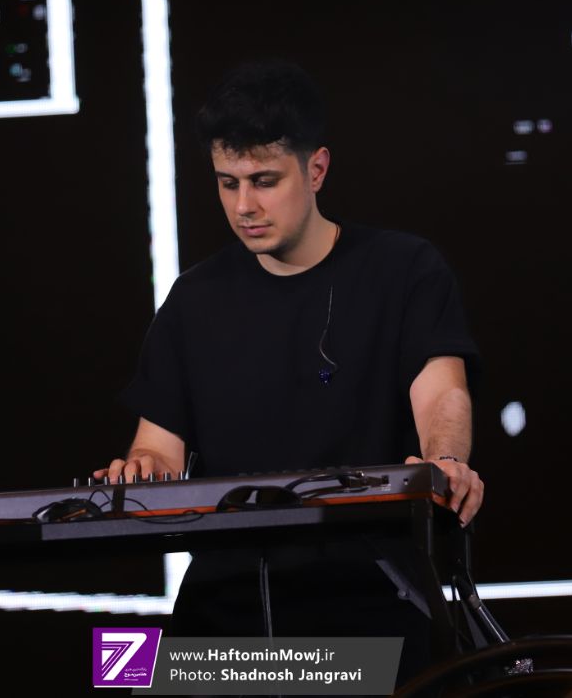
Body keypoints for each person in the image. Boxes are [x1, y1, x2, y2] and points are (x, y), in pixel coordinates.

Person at [97, 59, 485, 686]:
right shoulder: (193, 300)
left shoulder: (404, 269)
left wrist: (444, 461)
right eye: (227, 184)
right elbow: (156, 448)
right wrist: (139, 470)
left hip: (367, 602)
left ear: (317, 169)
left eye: (264, 181)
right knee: (121, 668)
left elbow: (442, 394)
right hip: (224, 612)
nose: (244, 206)